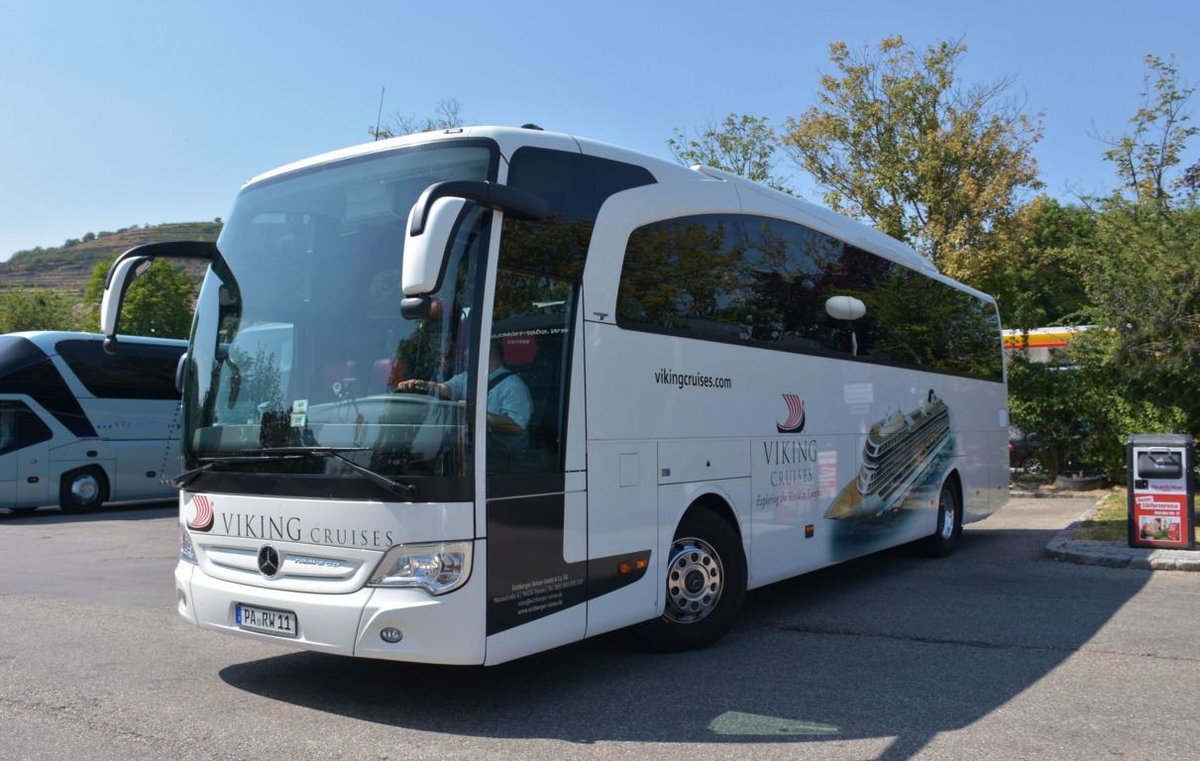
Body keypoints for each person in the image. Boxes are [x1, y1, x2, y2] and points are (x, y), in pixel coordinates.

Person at [395, 339, 533, 450]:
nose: (466, 354)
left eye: (471, 349)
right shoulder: (467, 377)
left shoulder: (513, 385)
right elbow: (446, 389)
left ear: (490, 353)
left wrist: (473, 412)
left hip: (505, 458)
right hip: (471, 448)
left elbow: (516, 427)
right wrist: (422, 384)